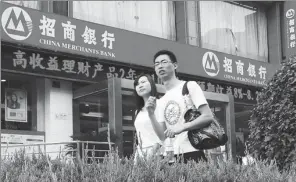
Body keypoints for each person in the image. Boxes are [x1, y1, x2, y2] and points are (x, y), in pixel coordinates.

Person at [153, 50, 214, 163]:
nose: (160, 66)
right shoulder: (161, 101)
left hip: (192, 151)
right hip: (171, 156)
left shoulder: (189, 86)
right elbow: (162, 135)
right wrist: (150, 112)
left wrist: (182, 127)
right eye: (156, 64)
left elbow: (207, 116)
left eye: (164, 62)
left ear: (175, 65)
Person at [133, 73, 166, 164]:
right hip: (140, 154)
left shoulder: (160, 104)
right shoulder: (137, 112)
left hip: (157, 154)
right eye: (137, 84)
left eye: (143, 82)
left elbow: (163, 135)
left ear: (151, 84)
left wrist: (153, 152)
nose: (140, 86)